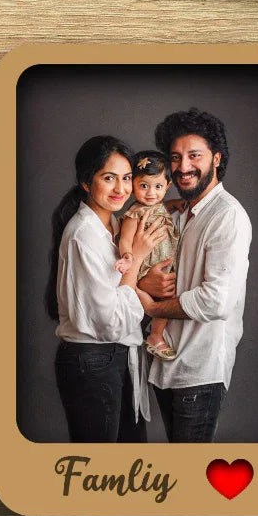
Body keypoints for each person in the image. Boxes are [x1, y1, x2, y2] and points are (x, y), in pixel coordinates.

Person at [135, 108, 252, 442]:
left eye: (194, 155)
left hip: (199, 372)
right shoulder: (181, 213)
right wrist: (144, 285)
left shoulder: (226, 216)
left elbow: (216, 301)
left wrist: (154, 308)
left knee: (191, 476)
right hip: (166, 367)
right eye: (175, 157)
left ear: (216, 158)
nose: (183, 166)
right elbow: (151, 268)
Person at [45, 135, 168, 443]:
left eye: (127, 178)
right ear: (87, 182)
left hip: (115, 358)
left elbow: (120, 290)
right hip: (92, 361)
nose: (121, 189)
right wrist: (138, 259)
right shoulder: (83, 235)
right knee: (99, 469)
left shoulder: (115, 225)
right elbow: (111, 323)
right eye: (109, 178)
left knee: (128, 463)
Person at [115, 150, 179, 360]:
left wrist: (174, 203)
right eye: (144, 186)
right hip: (142, 267)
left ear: (167, 186)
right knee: (147, 297)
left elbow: (160, 206)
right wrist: (127, 256)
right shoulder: (135, 213)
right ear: (133, 184)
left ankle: (155, 335)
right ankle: (155, 335)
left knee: (169, 299)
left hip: (163, 266)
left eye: (158, 186)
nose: (151, 193)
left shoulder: (158, 205)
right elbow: (125, 238)